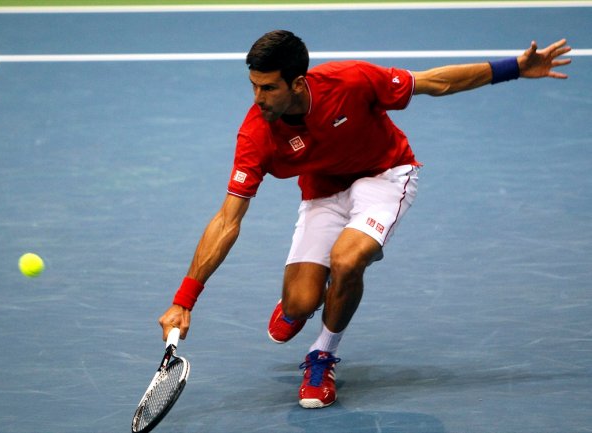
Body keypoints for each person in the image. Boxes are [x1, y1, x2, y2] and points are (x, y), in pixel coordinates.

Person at [158, 30, 571, 408]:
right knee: (301, 300)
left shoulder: (350, 81)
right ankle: (296, 306)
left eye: (268, 88)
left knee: (347, 260)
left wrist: (513, 68)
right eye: (253, 86)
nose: (258, 98)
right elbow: (228, 220)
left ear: (298, 82)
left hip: (384, 175)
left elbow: (434, 82)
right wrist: (184, 299)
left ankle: (322, 353)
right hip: (322, 189)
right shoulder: (256, 135)